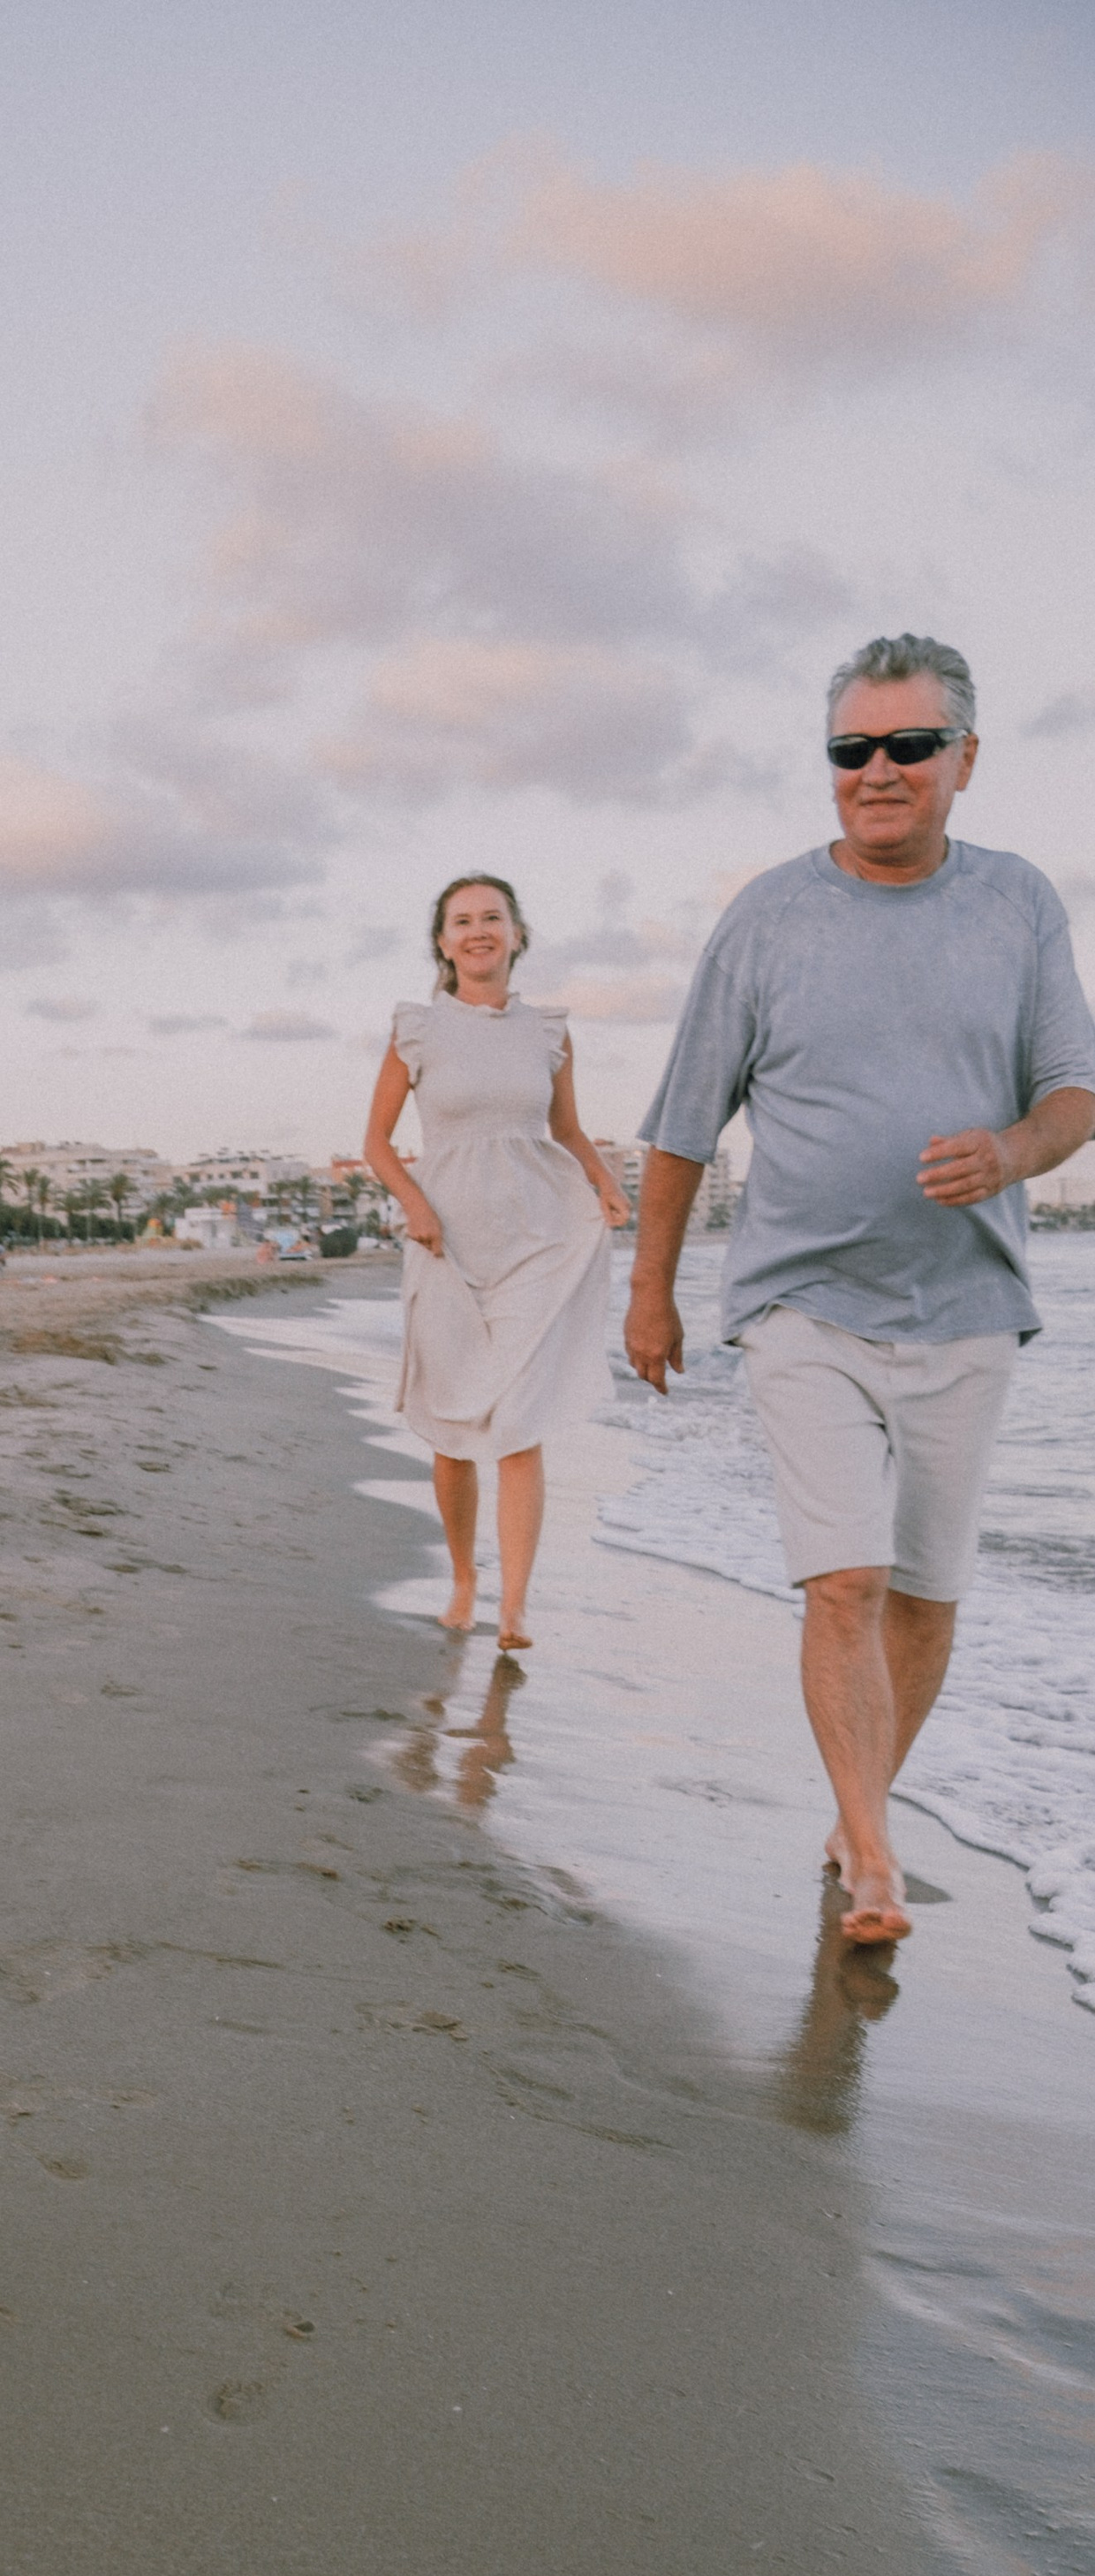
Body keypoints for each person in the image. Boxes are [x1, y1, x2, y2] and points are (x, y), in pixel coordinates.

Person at [626, 633, 1095, 1947]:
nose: (876, 772)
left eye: (907, 746)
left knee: (928, 1596)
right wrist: (650, 1292)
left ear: (965, 759)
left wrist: (1011, 1151)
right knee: (846, 1581)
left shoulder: (1018, 905)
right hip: (803, 1306)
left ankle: (855, 1811)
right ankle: (875, 1863)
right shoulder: (767, 917)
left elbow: (1075, 1094)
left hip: (969, 1309)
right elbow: (681, 1125)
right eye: (851, 750)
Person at [360, 875, 629, 1647]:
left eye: (492, 918)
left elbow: (567, 1132)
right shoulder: (417, 1029)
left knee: (518, 1422)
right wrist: (415, 1206)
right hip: (446, 1240)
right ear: (442, 944)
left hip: (535, 1239)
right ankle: (463, 1579)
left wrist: (604, 1184)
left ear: (517, 934)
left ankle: (515, 1603)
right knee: (451, 1430)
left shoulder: (549, 1030)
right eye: (462, 921)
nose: (478, 931)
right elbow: (376, 1143)